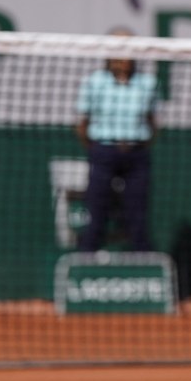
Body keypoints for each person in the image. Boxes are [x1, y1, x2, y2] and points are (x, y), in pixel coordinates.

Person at [74, 46, 158, 254]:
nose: (123, 59)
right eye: (119, 53)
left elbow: (153, 121)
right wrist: (99, 149)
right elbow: (83, 123)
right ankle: (87, 258)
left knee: (137, 211)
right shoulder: (95, 82)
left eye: (128, 53)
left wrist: (136, 145)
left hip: (136, 154)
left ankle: (142, 261)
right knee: (97, 208)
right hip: (104, 152)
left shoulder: (147, 83)